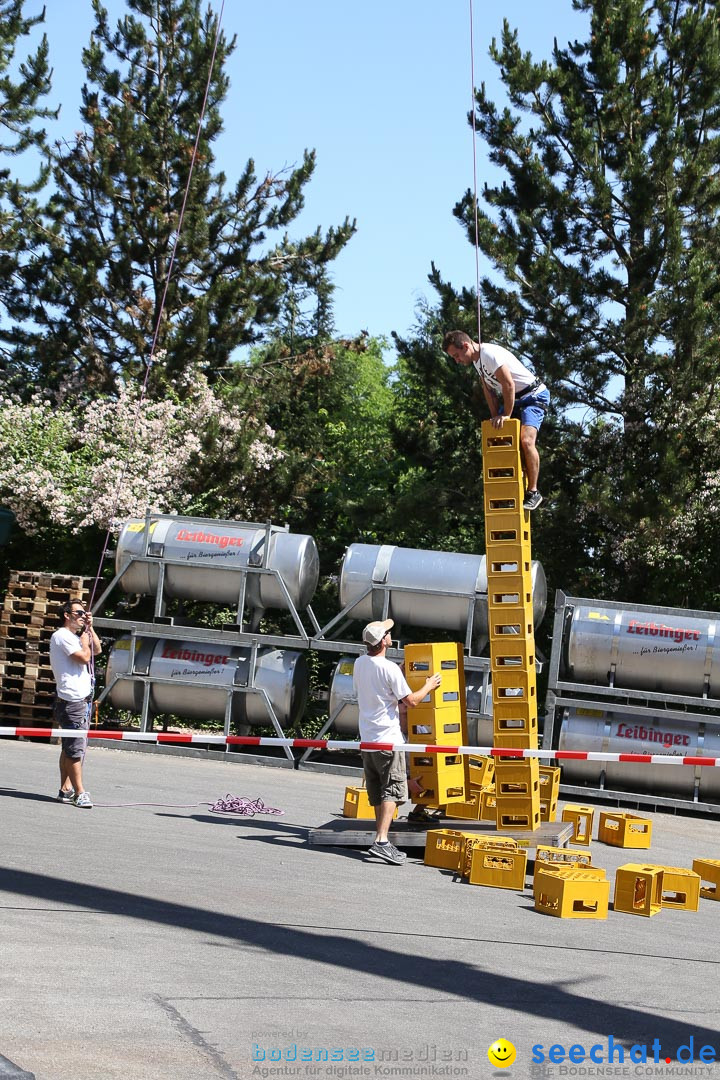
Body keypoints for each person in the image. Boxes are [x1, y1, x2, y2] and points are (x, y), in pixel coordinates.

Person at [353, 618, 442, 865]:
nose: (391, 635)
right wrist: (429, 686)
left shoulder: (360, 664)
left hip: (368, 739)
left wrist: (399, 672)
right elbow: (411, 701)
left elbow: (377, 689)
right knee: (392, 790)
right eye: (388, 633)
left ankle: (381, 838)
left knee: (378, 791)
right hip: (388, 740)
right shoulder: (389, 668)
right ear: (383, 641)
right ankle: (381, 841)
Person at [443, 331, 550, 511]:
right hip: (515, 400)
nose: (457, 361)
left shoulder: (489, 354)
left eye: (456, 355)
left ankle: (534, 491)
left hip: (533, 396)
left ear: (466, 346)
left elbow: (508, 384)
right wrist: (495, 418)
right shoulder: (477, 361)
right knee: (498, 441)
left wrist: (506, 415)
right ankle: (507, 485)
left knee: (526, 440)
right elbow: (489, 391)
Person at [49, 599, 102, 809]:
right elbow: (83, 657)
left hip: (78, 701)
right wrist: (85, 642)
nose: (82, 616)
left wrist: (90, 628)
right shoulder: (62, 636)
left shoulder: (74, 636)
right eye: (79, 613)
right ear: (67, 615)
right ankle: (80, 793)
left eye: (84, 613)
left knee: (69, 747)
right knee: (75, 750)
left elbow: (96, 651)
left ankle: (65, 789)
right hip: (72, 701)